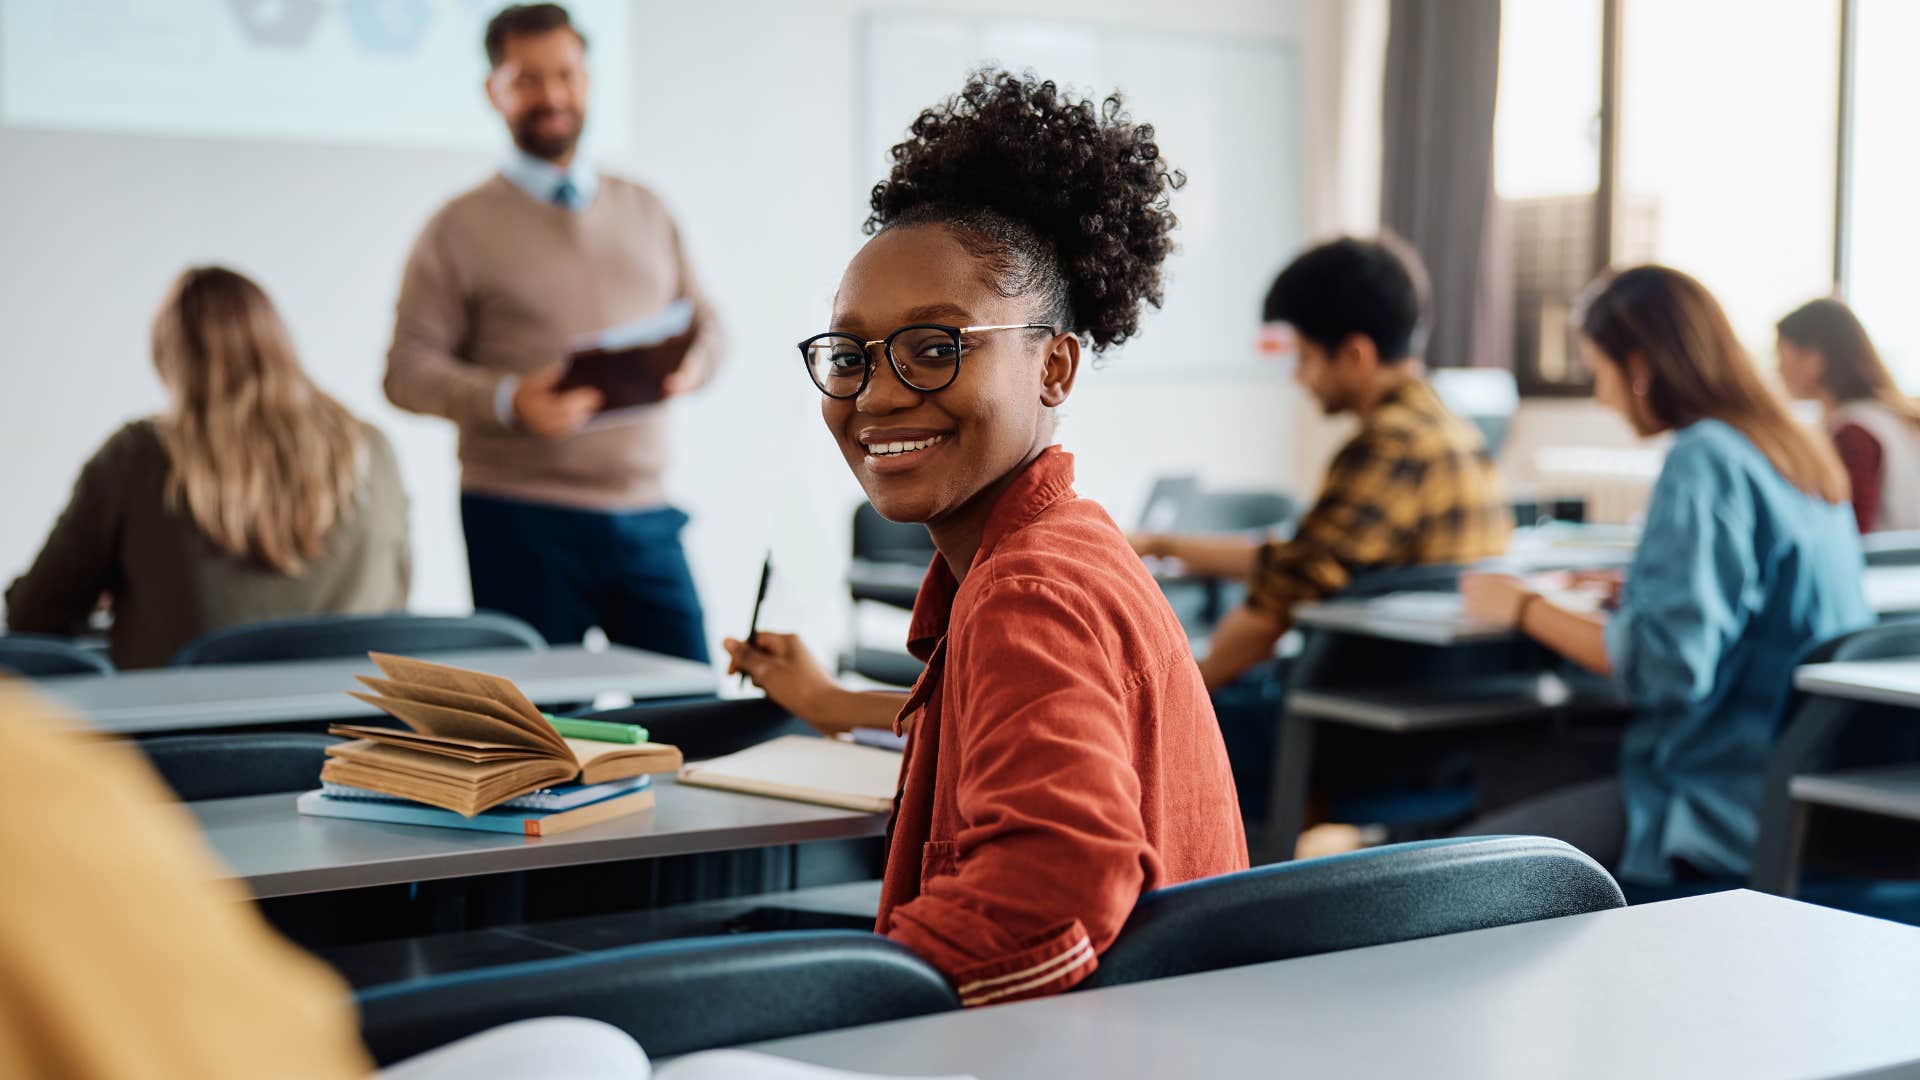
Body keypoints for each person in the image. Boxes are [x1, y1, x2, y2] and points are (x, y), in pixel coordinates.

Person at [726, 71, 1246, 1003]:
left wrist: (838, 1015)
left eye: (935, 348)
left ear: (1053, 365)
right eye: (848, 356)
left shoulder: (1026, 591)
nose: (878, 395)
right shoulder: (1066, 548)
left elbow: (1050, 895)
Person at [1457, 266, 1871, 885]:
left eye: (1599, 372)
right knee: (1510, 775)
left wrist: (1520, 604)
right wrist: (1641, 587)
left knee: (1439, 875)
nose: (1601, 396)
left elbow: (1668, 667)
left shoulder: (1703, 458)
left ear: (1641, 367)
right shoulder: (1793, 450)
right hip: (1798, 789)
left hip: (1709, 802)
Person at [384, 3, 723, 662]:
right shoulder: (456, 226)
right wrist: (510, 399)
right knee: (535, 739)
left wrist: (696, 365)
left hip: (647, 514)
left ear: (589, 78)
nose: (553, 96)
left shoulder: (646, 208)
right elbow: (406, 371)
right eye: (529, 79)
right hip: (520, 520)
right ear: (494, 90)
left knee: (694, 709)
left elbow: (709, 325)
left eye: (566, 74)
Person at [1131, 237, 1513, 690]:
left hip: (1349, 712)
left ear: (1354, 355)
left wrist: (1172, 702)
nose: (1298, 376)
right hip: (1431, 707)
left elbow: (1269, 614)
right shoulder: (1457, 432)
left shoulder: (1385, 449)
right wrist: (1161, 544)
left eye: (1306, 357)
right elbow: (1302, 557)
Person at [6, 267, 409, 669]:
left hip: (179, 727)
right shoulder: (372, 451)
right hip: (350, 726)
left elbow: (34, 615)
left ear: (168, 355)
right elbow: (395, 599)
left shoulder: (139, 455)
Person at [1776, 297, 1920, 534]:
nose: (1779, 370)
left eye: (1782, 356)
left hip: (1878, 567)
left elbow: (1850, 531)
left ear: (1814, 359)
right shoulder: (1894, 417)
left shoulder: (1854, 431)